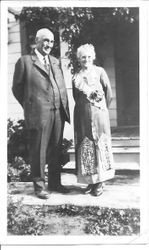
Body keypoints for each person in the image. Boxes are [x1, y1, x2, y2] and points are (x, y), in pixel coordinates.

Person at [12, 28, 70, 199]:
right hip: (38, 113)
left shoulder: (55, 61)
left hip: (58, 111)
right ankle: (39, 186)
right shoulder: (25, 62)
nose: (48, 44)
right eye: (45, 40)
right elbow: (17, 89)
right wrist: (30, 104)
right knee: (39, 150)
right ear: (36, 41)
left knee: (56, 149)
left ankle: (55, 183)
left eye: (51, 42)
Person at [72, 44, 115, 196]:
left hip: (99, 115)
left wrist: (101, 110)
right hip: (82, 117)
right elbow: (76, 98)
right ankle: (90, 181)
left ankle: (100, 182)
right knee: (86, 145)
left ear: (93, 57)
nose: (86, 59)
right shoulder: (76, 76)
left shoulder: (100, 72)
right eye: (83, 57)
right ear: (79, 59)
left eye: (89, 56)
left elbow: (108, 93)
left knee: (99, 143)